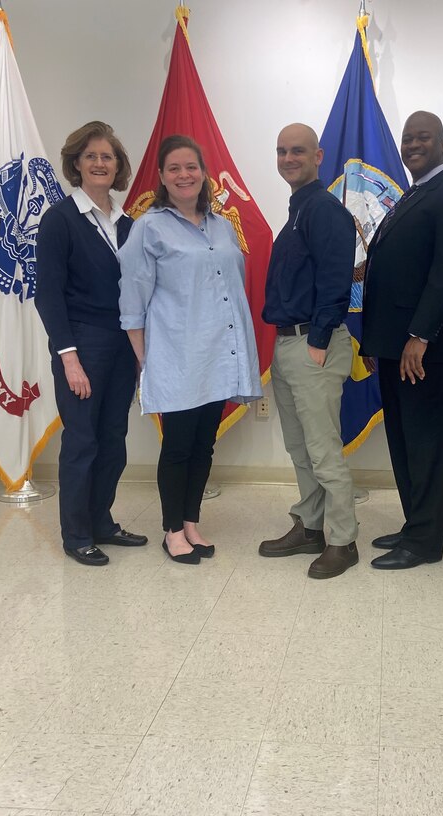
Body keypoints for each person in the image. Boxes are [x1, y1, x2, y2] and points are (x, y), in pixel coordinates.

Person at [118, 135, 262, 565]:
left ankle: (192, 522)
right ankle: (171, 530)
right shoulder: (149, 226)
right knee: (178, 445)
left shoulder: (220, 226)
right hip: (177, 356)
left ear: (203, 173)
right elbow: (132, 300)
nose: (184, 175)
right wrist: (147, 358)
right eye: (175, 168)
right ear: (162, 177)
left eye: (191, 167)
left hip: (219, 355)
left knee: (204, 445)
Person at [360, 111, 443, 570]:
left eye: (423, 137)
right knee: (405, 442)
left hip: (427, 352)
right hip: (395, 350)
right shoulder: (412, 196)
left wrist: (419, 335)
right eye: (408, 138)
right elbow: (391, 273)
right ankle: (415, 524)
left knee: (428, 446)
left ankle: (426, 542)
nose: (413, 144)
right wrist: (376, 343)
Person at [36, 121, 148, 567]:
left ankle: (102, 521)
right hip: (81, 343)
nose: (100, 163)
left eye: (108, 157)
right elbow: (48, 294)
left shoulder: (130, 225)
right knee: (82, 440)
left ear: (118, 166)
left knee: (114, 438)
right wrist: (70, 359)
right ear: (76, 165)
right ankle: (76, 534)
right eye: (91, 156)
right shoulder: (60, 220)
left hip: (123, 344)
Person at [258, 123, 359, 579]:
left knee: (323, 450)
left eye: (297, 150)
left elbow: (338, 281)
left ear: (318, 156)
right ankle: (312, 526)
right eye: (281, 151)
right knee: (300, 447)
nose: (288, 158)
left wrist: (317, 341)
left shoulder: (323, 210)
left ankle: (343, 540)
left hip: (312, 345)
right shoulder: (298, 210)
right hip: (288, 343)